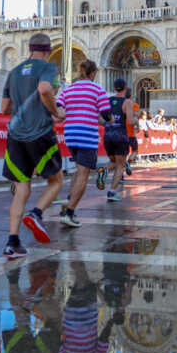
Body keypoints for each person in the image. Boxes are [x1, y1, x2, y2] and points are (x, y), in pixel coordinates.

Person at [1, 33, 65, 258]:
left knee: (21, 188)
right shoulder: (47, 68)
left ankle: (12, 242)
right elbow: (45, 89)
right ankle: (37, 214)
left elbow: (4, 108)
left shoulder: (14, 71)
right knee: (56, 180)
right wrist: (55, 112)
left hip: (15, 135)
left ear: (29, 49)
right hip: (40, 134)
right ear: (47, 51)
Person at [56, 59, 111, 228]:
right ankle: (70, 212)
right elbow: (106, 115)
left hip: (70, 134)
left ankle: (68, 201)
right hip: (87, 135)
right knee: (84, 175)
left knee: (79, 170)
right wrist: (108, 120)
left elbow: (59, 109)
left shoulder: (69, 89)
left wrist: (75, 114)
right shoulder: (98, 89)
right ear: (93, 73)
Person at [102, 79, 134, 202]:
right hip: (120, 135)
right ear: (125, 87)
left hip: (108, 134)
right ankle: (112, 192)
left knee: (114, 162)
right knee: (121, 164)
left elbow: (101, 120)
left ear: (114, 88)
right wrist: (136, 120)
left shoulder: (107, 101)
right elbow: (130, 121)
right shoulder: (127, 102)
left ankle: (104, 170)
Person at [125, 98, 140, 175]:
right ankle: (128, 162)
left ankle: (120, 176)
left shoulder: (122, 104)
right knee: (135, 150)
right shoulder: (134, 105)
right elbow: (136, 114)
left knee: (124, 153)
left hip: (123, 134)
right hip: (131, 134)